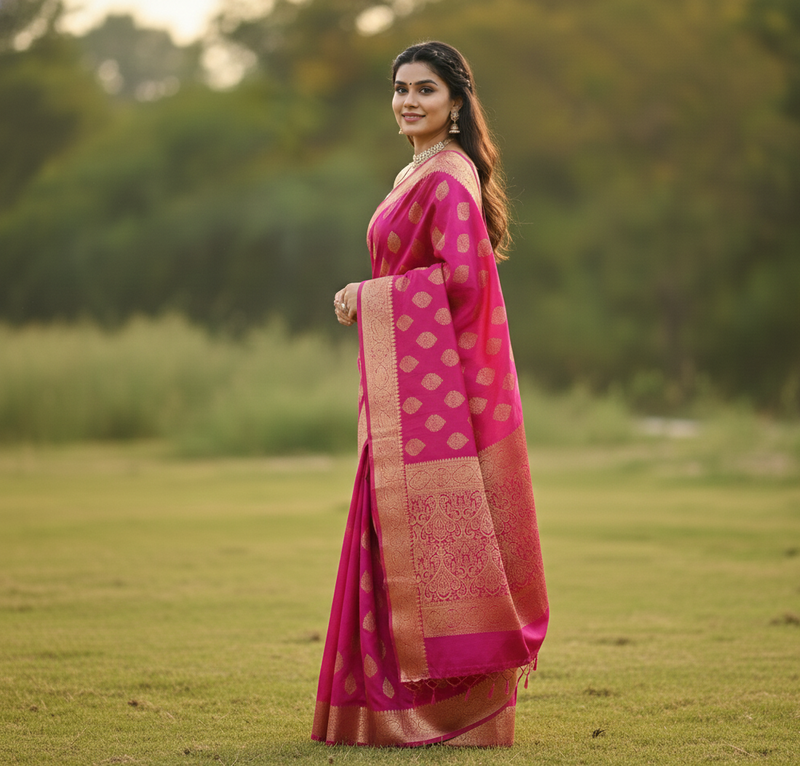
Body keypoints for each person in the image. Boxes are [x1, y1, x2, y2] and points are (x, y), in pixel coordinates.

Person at [312, 40, 548, 748]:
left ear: (455, 105)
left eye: (425, 91)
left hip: (436, 400)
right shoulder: (416, 172)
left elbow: (465, 281)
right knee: (389, 539)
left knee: (428, 543)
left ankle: (443, 715)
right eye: (400, 88)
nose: (408, 101)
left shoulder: (448, 177)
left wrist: (369, 295)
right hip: (407, 390)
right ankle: (388, 712)